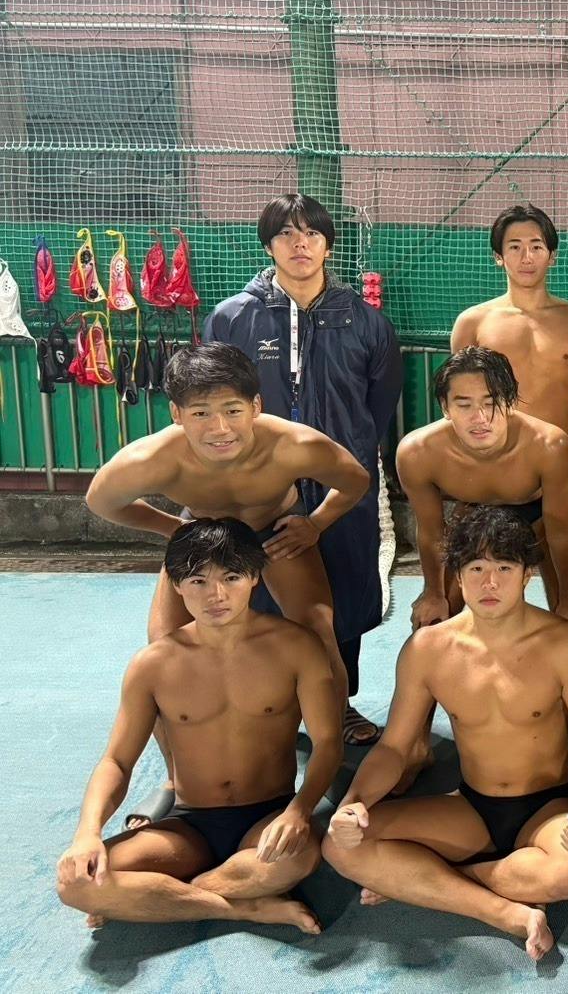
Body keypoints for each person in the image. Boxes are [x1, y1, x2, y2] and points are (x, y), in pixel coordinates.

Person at [85, 343, 368, 824]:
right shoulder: (151, 458)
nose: (219, 428)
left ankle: (331, 753)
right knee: (162, 645)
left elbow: (355, 480)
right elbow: (101, 501)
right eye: (200, 413)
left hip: (275, 531)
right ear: (176, 414)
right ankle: (176, 779)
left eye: (232, 410)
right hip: (201, 535)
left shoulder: (295, 444)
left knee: (319, 633)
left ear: (256, 406)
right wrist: (173, 529)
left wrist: (315, 524)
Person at [322, 506, 568, 962]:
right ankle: (504, 912)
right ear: (457, 576)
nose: (489, 583)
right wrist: (353, 804)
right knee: (341, 847)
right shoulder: (428, 649)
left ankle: (429, 881)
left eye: (504, 568)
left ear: (527, 575)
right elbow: (394, 748)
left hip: (549, 806)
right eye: (476, 568)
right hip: (472, 807)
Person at [55, 519, 340, 935]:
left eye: (231, 577)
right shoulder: (152, 665)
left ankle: (158, 898)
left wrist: (299, 811)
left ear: (254, 577)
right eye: (198, 581)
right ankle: (244, 908)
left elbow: (328, 743)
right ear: (177, 585)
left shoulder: (297, 647)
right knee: (77, 884)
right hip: (188, 825)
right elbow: (116, 760)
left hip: (269, 815)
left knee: (297, 858)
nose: (216, 595)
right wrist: (87, 833)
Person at [204, 193, 403, 748]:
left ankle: (338, 704)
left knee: (342, 590)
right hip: (259, 486)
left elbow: (378, 406)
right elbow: (213, 402)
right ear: (268, 245)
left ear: (328, 245)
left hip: (341, 482)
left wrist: (341, 457)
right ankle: (265, 703)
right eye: (287, 234)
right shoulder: (233, 318)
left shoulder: (366, 323)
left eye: (311, 234)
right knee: (256, 592)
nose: (300, 244)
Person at [450, 203, 568, 605]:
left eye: (536, 246)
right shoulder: (473, 322)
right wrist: (460, 479)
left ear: (551, 255)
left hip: (556, 469)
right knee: (453, 597)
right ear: (498, 256)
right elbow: (456, 407)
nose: (526, 257)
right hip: (488, 467)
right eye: (515, 246)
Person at [396, 347, 568, 631]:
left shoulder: (550, 446)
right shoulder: (417, 453)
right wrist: (433, 593)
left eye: (491, 402)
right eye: (464, 405)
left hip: (541, 516)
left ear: (510, 402)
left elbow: (560, 529)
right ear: (445, 407)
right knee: (432, 621)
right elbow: (431, 532)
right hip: (474, 516)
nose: (480, 417)